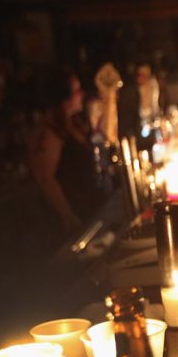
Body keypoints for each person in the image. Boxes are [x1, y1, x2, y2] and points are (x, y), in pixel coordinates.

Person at [27, 68, 106, 233]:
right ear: (64, 97)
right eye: (76, 90)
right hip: (72, 219)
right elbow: (45, 178)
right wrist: (68, 216)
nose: (81, 94)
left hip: (88, 208)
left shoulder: (71, 122)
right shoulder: (49, 132)